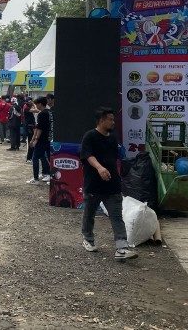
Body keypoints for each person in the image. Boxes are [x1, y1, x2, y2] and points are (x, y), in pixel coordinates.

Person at [80, 107, 138, 261]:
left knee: (117, 216)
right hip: (93, 184)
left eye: (113, 119)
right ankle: (88, 239)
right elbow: (88, 155)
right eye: (110, 119)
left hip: (112, 185)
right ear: (101, 120)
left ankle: (122, 248)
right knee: (89, 213)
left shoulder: (113, 138)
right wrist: (100, 168)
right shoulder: (89, 136)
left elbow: (114, 159)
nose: (113, 122)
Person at [28, 96, 51, 184]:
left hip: (42, 140)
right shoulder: (50, 112)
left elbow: (39, 129)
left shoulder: (41, 114)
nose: (36, 106)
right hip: (49, 139)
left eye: (36, 104)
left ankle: (36, 178)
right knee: (46, 157)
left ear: (40, 104)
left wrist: (35, 140)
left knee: (35, 158)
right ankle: (47, 174)